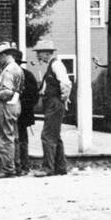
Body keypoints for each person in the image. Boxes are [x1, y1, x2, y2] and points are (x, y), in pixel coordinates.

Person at [34, 40, 71, 176]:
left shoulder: (56, 64)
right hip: (52, 102)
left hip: (54, 102)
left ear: (47, 53)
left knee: (47, 135)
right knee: (55, 135)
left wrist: (61, 99)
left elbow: (66, 84)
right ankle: (60, 167)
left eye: (40, 52)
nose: (38, 55)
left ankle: (48, 168)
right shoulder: (51, 65)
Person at [0, 42, 24, 177]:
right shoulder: (16, 67)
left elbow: (7, 91)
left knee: (4, 137)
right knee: (14, 136)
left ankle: (8, 169)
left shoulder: (8, 70)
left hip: (5, 105)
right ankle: (16, 166)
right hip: (15, 104)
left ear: (3, 55)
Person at [15, 48, 40, 175]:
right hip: (11, 112)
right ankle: (16, 165)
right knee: (14, 139)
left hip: (23, 113)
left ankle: (24, 165)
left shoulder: (27, 76)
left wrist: (23, 106)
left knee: (22, 139)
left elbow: (34, 95)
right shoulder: (7, 74)